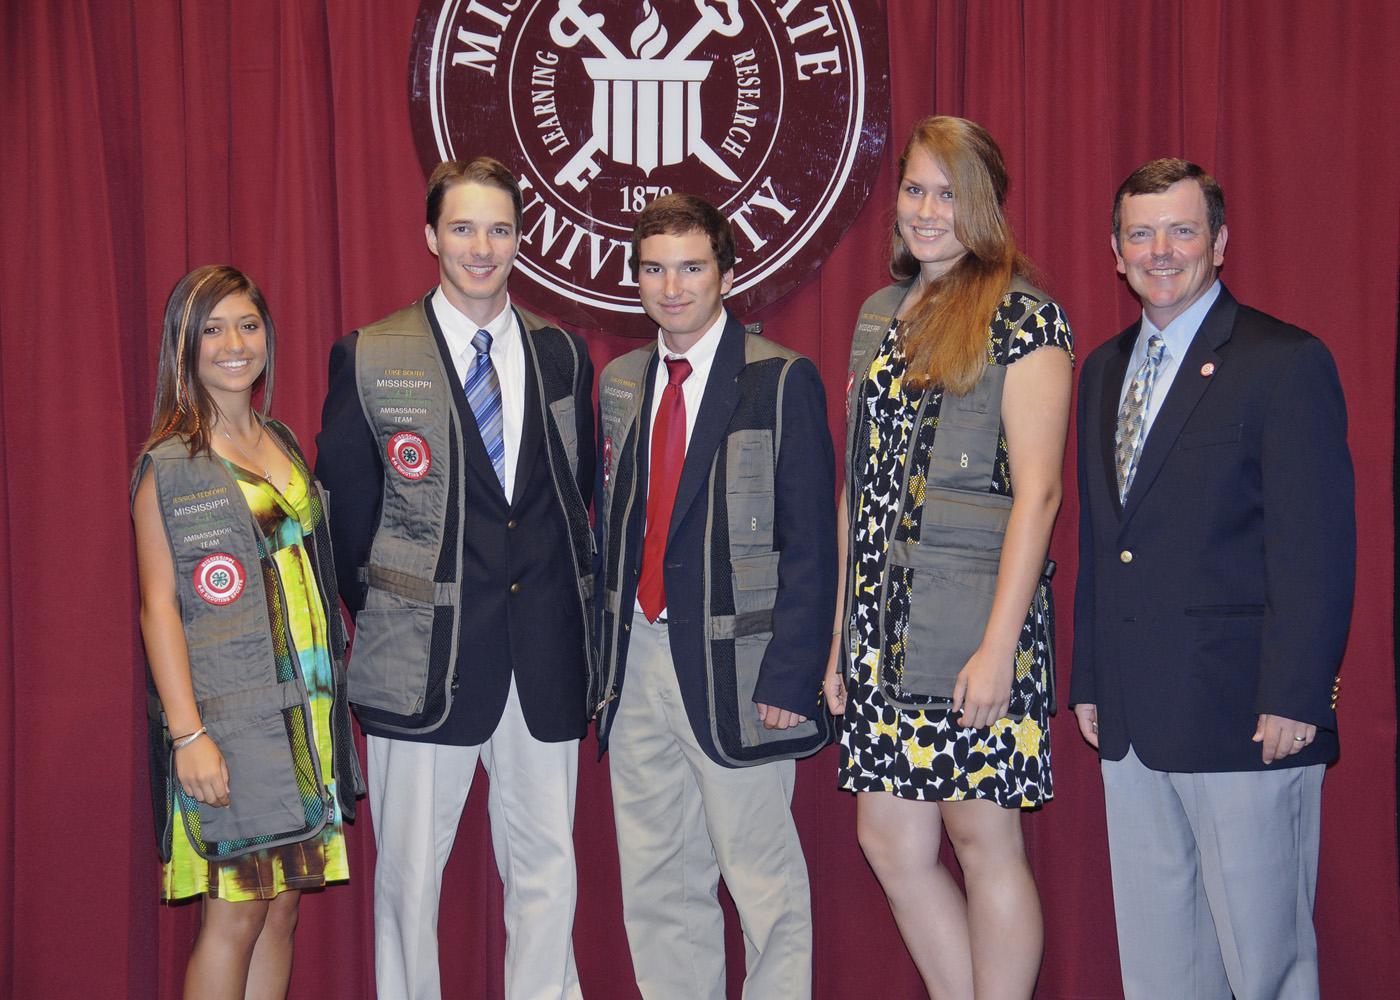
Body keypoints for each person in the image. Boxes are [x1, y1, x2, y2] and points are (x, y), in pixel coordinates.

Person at [1070, 158, 1355, 999]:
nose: (1161, 251)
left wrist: (1299, 694)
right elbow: (1101, 541)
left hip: (1248, 717)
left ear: (1220, 243)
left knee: (1264, 966)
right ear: (1115, 252)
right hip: (1132, 722)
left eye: (1182, 230)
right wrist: (1091, 679)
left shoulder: (1284, 361)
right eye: (1141, 233)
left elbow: (1317, 545)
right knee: (1162, 970)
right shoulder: (1101, 370)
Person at [315, 157, 595, 1000]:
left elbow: (571, 501)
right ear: (431, 235)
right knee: (409, 882)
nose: (483, 247)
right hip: (421, 661)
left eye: (500, 229)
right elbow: (347, 523)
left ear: (522, 239)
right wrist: (404, 609)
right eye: (464, 228)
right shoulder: (370, 353)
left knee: (550, 875)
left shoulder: (561, 354)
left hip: (541, 657)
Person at [823, 116, 1073, 999]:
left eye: (950, 194)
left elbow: (1038, 494)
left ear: (987, 209)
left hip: (974, 630)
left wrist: (1000, 647)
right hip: (880, 636)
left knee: (981, 838)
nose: (929, 211)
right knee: (890, 842)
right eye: (917, 189)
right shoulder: (878, 316)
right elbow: (857, 490)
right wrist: (837, 637)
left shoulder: (1024, 316)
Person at [593, 193, 835, 998]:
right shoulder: (623, 381)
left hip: (741, 667)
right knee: (659, 884)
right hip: (639, 663)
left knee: (763, 886)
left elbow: (811, 540)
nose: (672, 287)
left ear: (727, 273)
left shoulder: (779, 378)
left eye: (691, 267)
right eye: (655, 270)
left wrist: (793, 673)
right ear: (636, 280)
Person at [132, 264, 363, 1000]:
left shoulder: (284, 440)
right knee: (235, 914)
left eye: (249, 325)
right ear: (185, 346)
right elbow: (158, 606)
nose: (234, 344)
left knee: (284, 906)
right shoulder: (168, 465)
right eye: (213, 328)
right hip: (232, 724)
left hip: (311, 714)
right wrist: (187, 734)